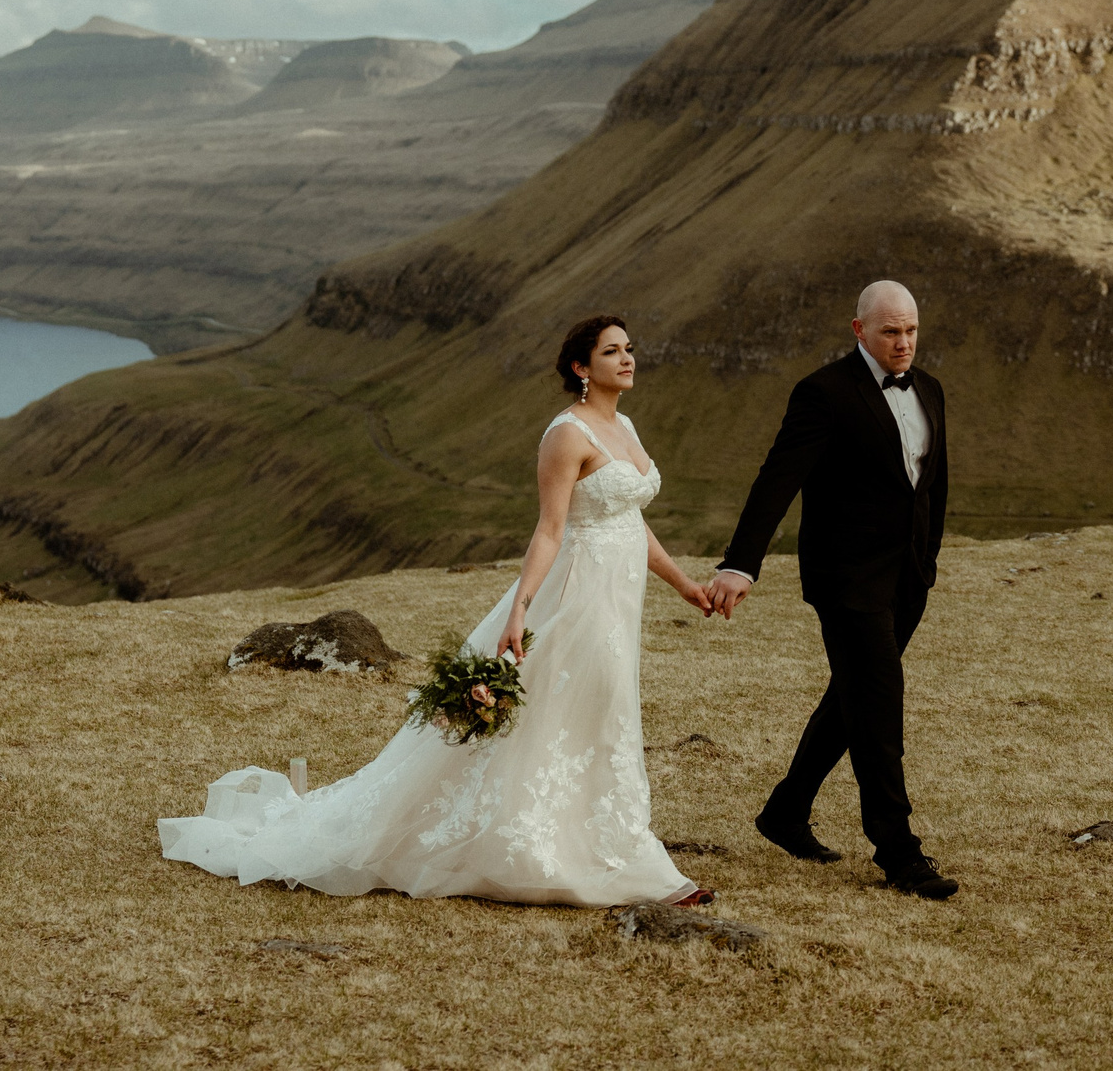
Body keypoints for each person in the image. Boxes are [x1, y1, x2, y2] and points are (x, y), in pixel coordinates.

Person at [158, 313, 719, 906]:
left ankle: (608, 844)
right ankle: (588, 856)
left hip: (618, 599)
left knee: (599, 711)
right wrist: (519, 611)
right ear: (582, 368)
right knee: (571, 710)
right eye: (612, 352)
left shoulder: (624, 424)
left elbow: (627, 519)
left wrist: (682, 584)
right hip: (576, 597)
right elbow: (550, 533)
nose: (628, 359)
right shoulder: (567, 435)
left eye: (629, 348)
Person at [707, 280, 959, 901]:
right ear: (859, 330)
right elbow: (777, 480)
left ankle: (786, 811)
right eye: (890, 332)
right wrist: (741, 564)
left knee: (854, 696)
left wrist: (926, 561)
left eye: (911, 331)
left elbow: (934, 484)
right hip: (846, 581)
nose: (903, 344)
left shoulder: (930, 390)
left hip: (907, 579)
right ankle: (898, 851)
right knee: (878, 703)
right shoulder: (822, 393)